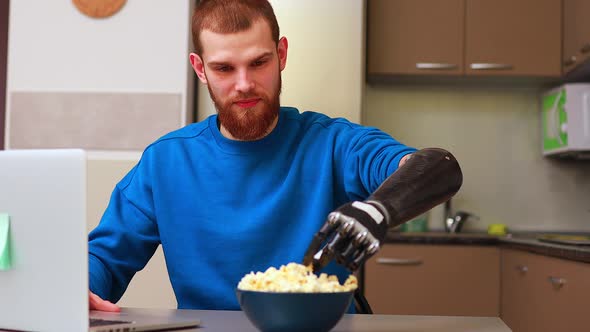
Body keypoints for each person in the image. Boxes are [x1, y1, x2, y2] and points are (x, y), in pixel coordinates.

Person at [88, 0, 461, 312]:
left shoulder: (334, 144)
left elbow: (437, 168)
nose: (244, 84)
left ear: (281, 55)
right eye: (224, 68)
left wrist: (379, 209)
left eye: (258, 62)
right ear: (200, 69)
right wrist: (80, 290)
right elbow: (105, 258)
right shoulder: (165, 162)